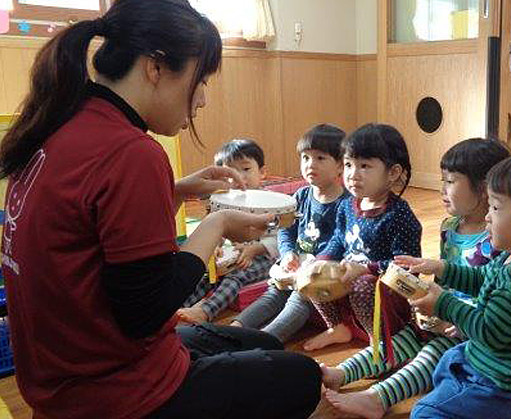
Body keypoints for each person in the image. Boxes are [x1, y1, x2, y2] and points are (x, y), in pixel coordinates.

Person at [0, 1, 320, 417]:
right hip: (116, 392)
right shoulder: (132, 152)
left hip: (60, 379)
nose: (202, 99)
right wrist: (217, 224)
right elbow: (145, 312)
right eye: (199, 80)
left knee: (262, 344)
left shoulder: (60, 122)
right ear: (156, 67)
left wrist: (174, 191)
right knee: (302, 378)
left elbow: (88, 231)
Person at [322, 138, 509, 419]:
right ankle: (343, 372)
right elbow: (446, 281)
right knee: (400, 339)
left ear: (483, 189)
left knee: (432, 353)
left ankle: (377, 398)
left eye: (451, 182)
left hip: (471, 330)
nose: (442, 189)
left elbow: (494, 297)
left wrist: (453, 317)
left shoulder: (499, 239)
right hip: (442, 315)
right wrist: (424, 299)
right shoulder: (450, 226)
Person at [398, 152, 511, 419]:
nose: (487, 217)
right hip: (492, 366)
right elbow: (482, 279)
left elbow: (487, 331)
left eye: (495, 208)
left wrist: (443, 304)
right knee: (449, 360)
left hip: (504, 388)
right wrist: (442, 268)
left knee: (423, 412)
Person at [303, 123, 422, 351]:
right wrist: (322, 259)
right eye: (348, 164)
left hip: (383, 291)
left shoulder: (399, 215)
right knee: (315, 273)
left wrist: (367, 269)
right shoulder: (347, 205)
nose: (352, 174)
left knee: (362, 285)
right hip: (351, 279)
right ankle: (338, 326)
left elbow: (407, 268)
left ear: (393, 173)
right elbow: (339, 239)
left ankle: (377, 340)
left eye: (364, 165)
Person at [232, 124, 350, 343]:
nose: (310, 164)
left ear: (341, 166)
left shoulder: (346, 203)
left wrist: (312, 267)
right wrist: (287, 254)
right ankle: (236, 327)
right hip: (299, 264)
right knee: (273, 293)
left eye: (320, 158)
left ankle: (266, 339)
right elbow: (285, 230)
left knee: (299, 298)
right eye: (305, 158)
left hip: (325, 271)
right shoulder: (301, 196)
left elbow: (341, 242)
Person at [179, 138, 281, 324]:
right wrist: (214, 247)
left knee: (235, 276)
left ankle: (206, 311)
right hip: (235, 255)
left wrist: (255, 249)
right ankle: (177, 308)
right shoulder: (225, 201)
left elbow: (280, 236)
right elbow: (216, 229)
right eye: (230, 172)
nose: (239, 177)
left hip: (267, 258)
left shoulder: (272, 201)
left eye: (246, 169)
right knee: (207, 275)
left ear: (262, 172)